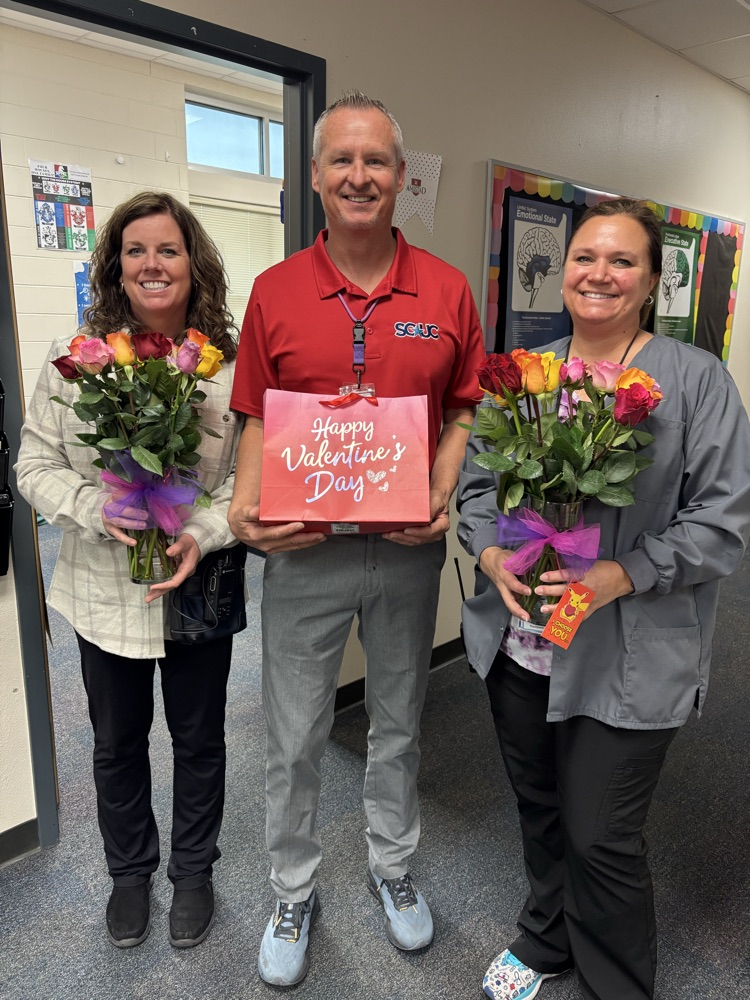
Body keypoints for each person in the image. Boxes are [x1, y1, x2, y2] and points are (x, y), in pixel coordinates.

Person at [457, 198, 750, 1000]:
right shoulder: (526, 374)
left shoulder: (694, 382)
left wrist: (621, 574)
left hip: (627, 650)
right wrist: (488, 553)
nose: (599, 274)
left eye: (623, 261)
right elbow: (477, 489)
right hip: (524, 636)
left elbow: (722, 523)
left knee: (602, 834)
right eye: (586, 257)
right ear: (564, 270)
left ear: (653, 280)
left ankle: (616, 983)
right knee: (542, 806)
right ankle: (546, 937)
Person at [228, 91, 485, 987]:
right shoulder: (275, 292)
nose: (359, 175)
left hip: (409, 552)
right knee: (294, 735)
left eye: (376, 161)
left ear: (401, 177)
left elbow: (463, 406)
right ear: (315, 177)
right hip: (306, 554)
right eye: (341, 159)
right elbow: (256, 413)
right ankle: (293, 887)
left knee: (398, 722)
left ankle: (392, 866)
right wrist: (242, 505)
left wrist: (442, 485)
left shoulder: (447, 289)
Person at [16, 191, 243, 951]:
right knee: (116, 743)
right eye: (136, 250)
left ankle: (195, 871)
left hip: (195, 586)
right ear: (116, 265)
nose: (152, 264)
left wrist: (204, 531)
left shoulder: (222, 371)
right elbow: (34, 463)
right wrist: (90, 507)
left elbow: (251, 481)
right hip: (100, 588)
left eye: (168, 250)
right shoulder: (77, 360)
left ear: (194, 265)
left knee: (199, 738)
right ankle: (128, 874)